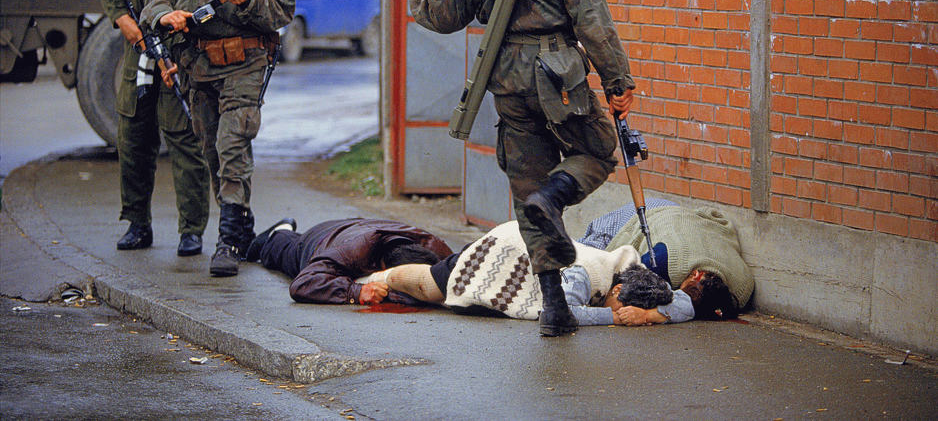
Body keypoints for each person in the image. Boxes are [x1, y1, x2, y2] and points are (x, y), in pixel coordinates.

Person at [405, 0, 636, 337]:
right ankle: (554, 198)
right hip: (560, 72)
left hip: (504, 74)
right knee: (596, 151)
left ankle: (554, 308)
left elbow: (439, 15)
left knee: (527, 182)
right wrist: (618, 79)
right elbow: (591, 18)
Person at [140, 0, 295, 277]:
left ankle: (227, 240)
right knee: (210, 149)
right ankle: (241, 226)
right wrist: (163, 14)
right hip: (197, 65)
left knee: (232, 144)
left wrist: (247, 1)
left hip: (244, 63)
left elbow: (282, 8)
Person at [96, 0, 210, 257]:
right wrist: (122, 18)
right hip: (139, 56)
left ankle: (191, 230)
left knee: (185, 142)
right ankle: (136, 223)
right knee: (133, 142)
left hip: (179, 58)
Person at [372, 219, 696, 327]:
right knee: (425, 286)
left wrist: (650, 316)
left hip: (536, 249)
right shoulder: (587, 276)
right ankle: (370, 277)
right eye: (623, 307)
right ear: (615, 293)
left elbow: (685, 303)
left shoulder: (643, 280)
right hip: (508, 251)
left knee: (430, 289)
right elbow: (561, 313)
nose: (626, 314)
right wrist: (614, 318)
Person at [579, 200, 750, 319]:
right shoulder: (660, 263)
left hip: (685, 214)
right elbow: (618, 276)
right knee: (592, 245)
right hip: (649, 213)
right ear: (695, 274)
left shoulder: (742, 289)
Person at [244, 217, 452, 305]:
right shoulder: (350, 252)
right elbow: (302, 284)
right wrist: (356, 292)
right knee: (282, 251)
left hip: (357, 227)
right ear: (382, 268)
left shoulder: (434, 247)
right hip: (319, 241)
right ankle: (279, 232)